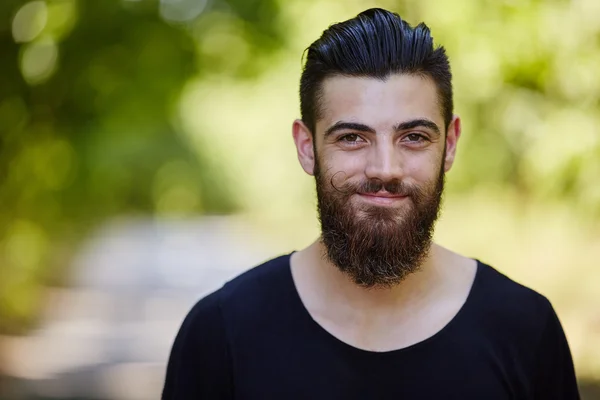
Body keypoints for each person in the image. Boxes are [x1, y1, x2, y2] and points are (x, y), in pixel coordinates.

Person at [162, 8, 580, 399]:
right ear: (307, 148)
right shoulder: (221, 335)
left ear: (450, 144)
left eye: (414, 137)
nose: (385, 168)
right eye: (352, 137)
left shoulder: (526, 330)